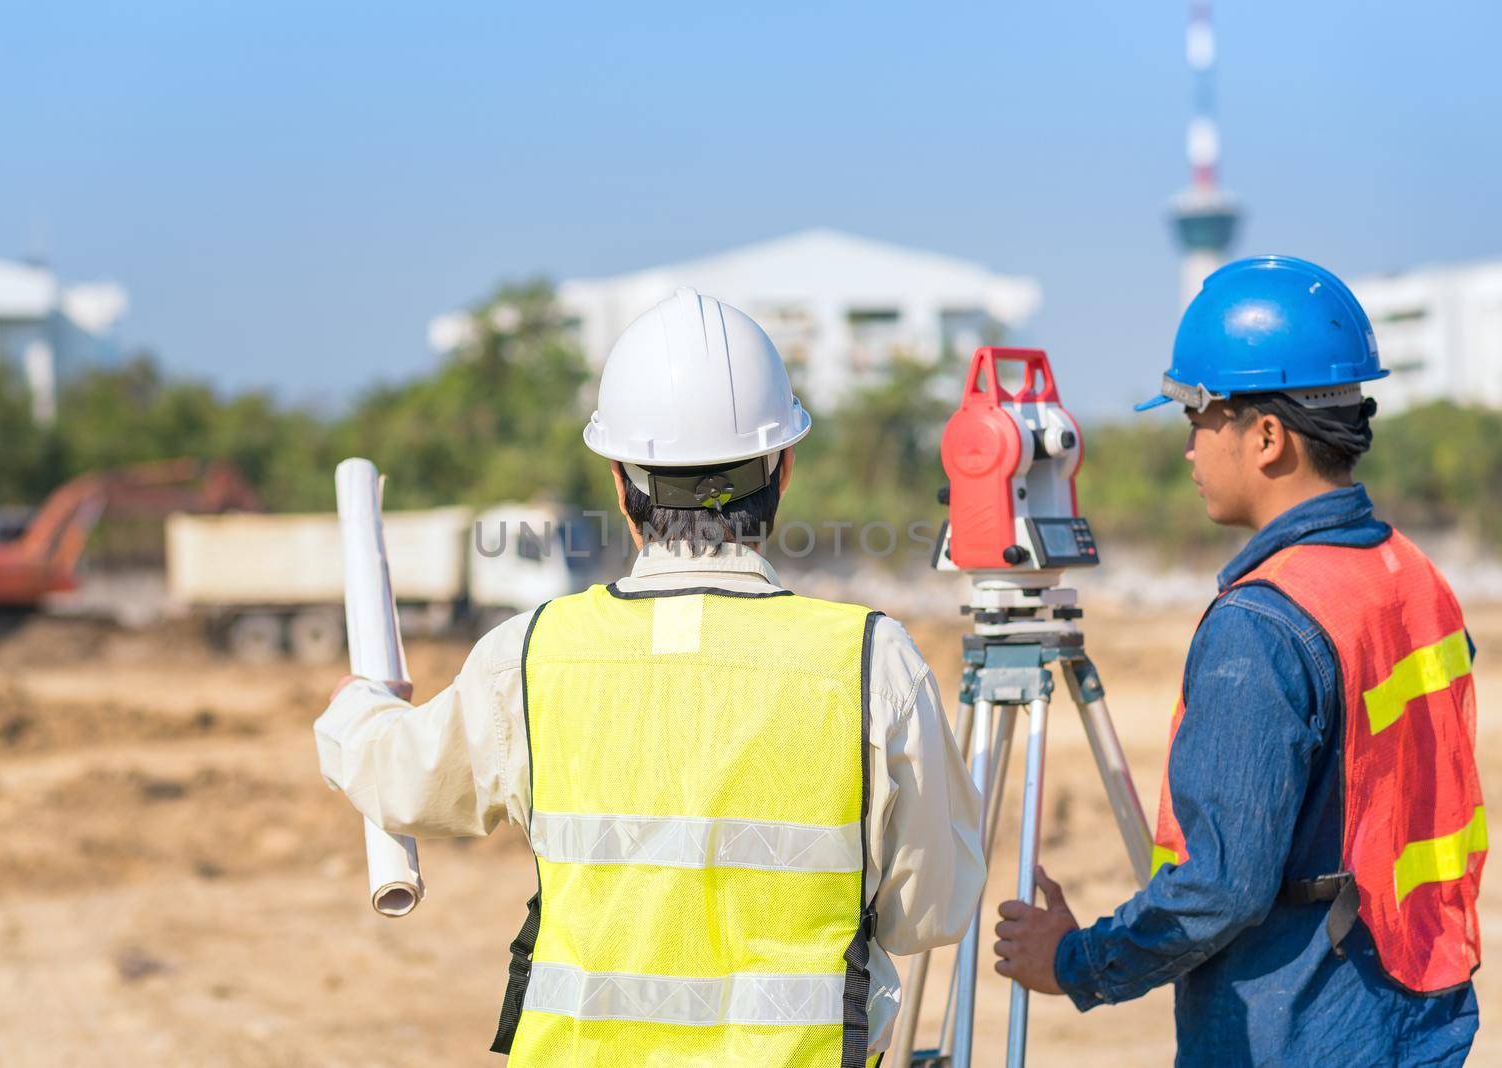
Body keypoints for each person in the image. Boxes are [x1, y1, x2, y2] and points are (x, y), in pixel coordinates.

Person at [315, 287, 985, 1066]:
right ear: (784, 467)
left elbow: (401, 780)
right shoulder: (872, 664)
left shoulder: (531, 655)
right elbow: (929, 912)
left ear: (619, 481)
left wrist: (355, 710)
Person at [991, 256, 1484, 1065]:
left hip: (1297, 1029)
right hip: (1417, 1005)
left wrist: (1075, 963)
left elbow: (1222, 887)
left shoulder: (1265, 623)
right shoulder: (1411, 574)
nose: (1188, 451)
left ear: (1265, 436)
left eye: (1196, 418)